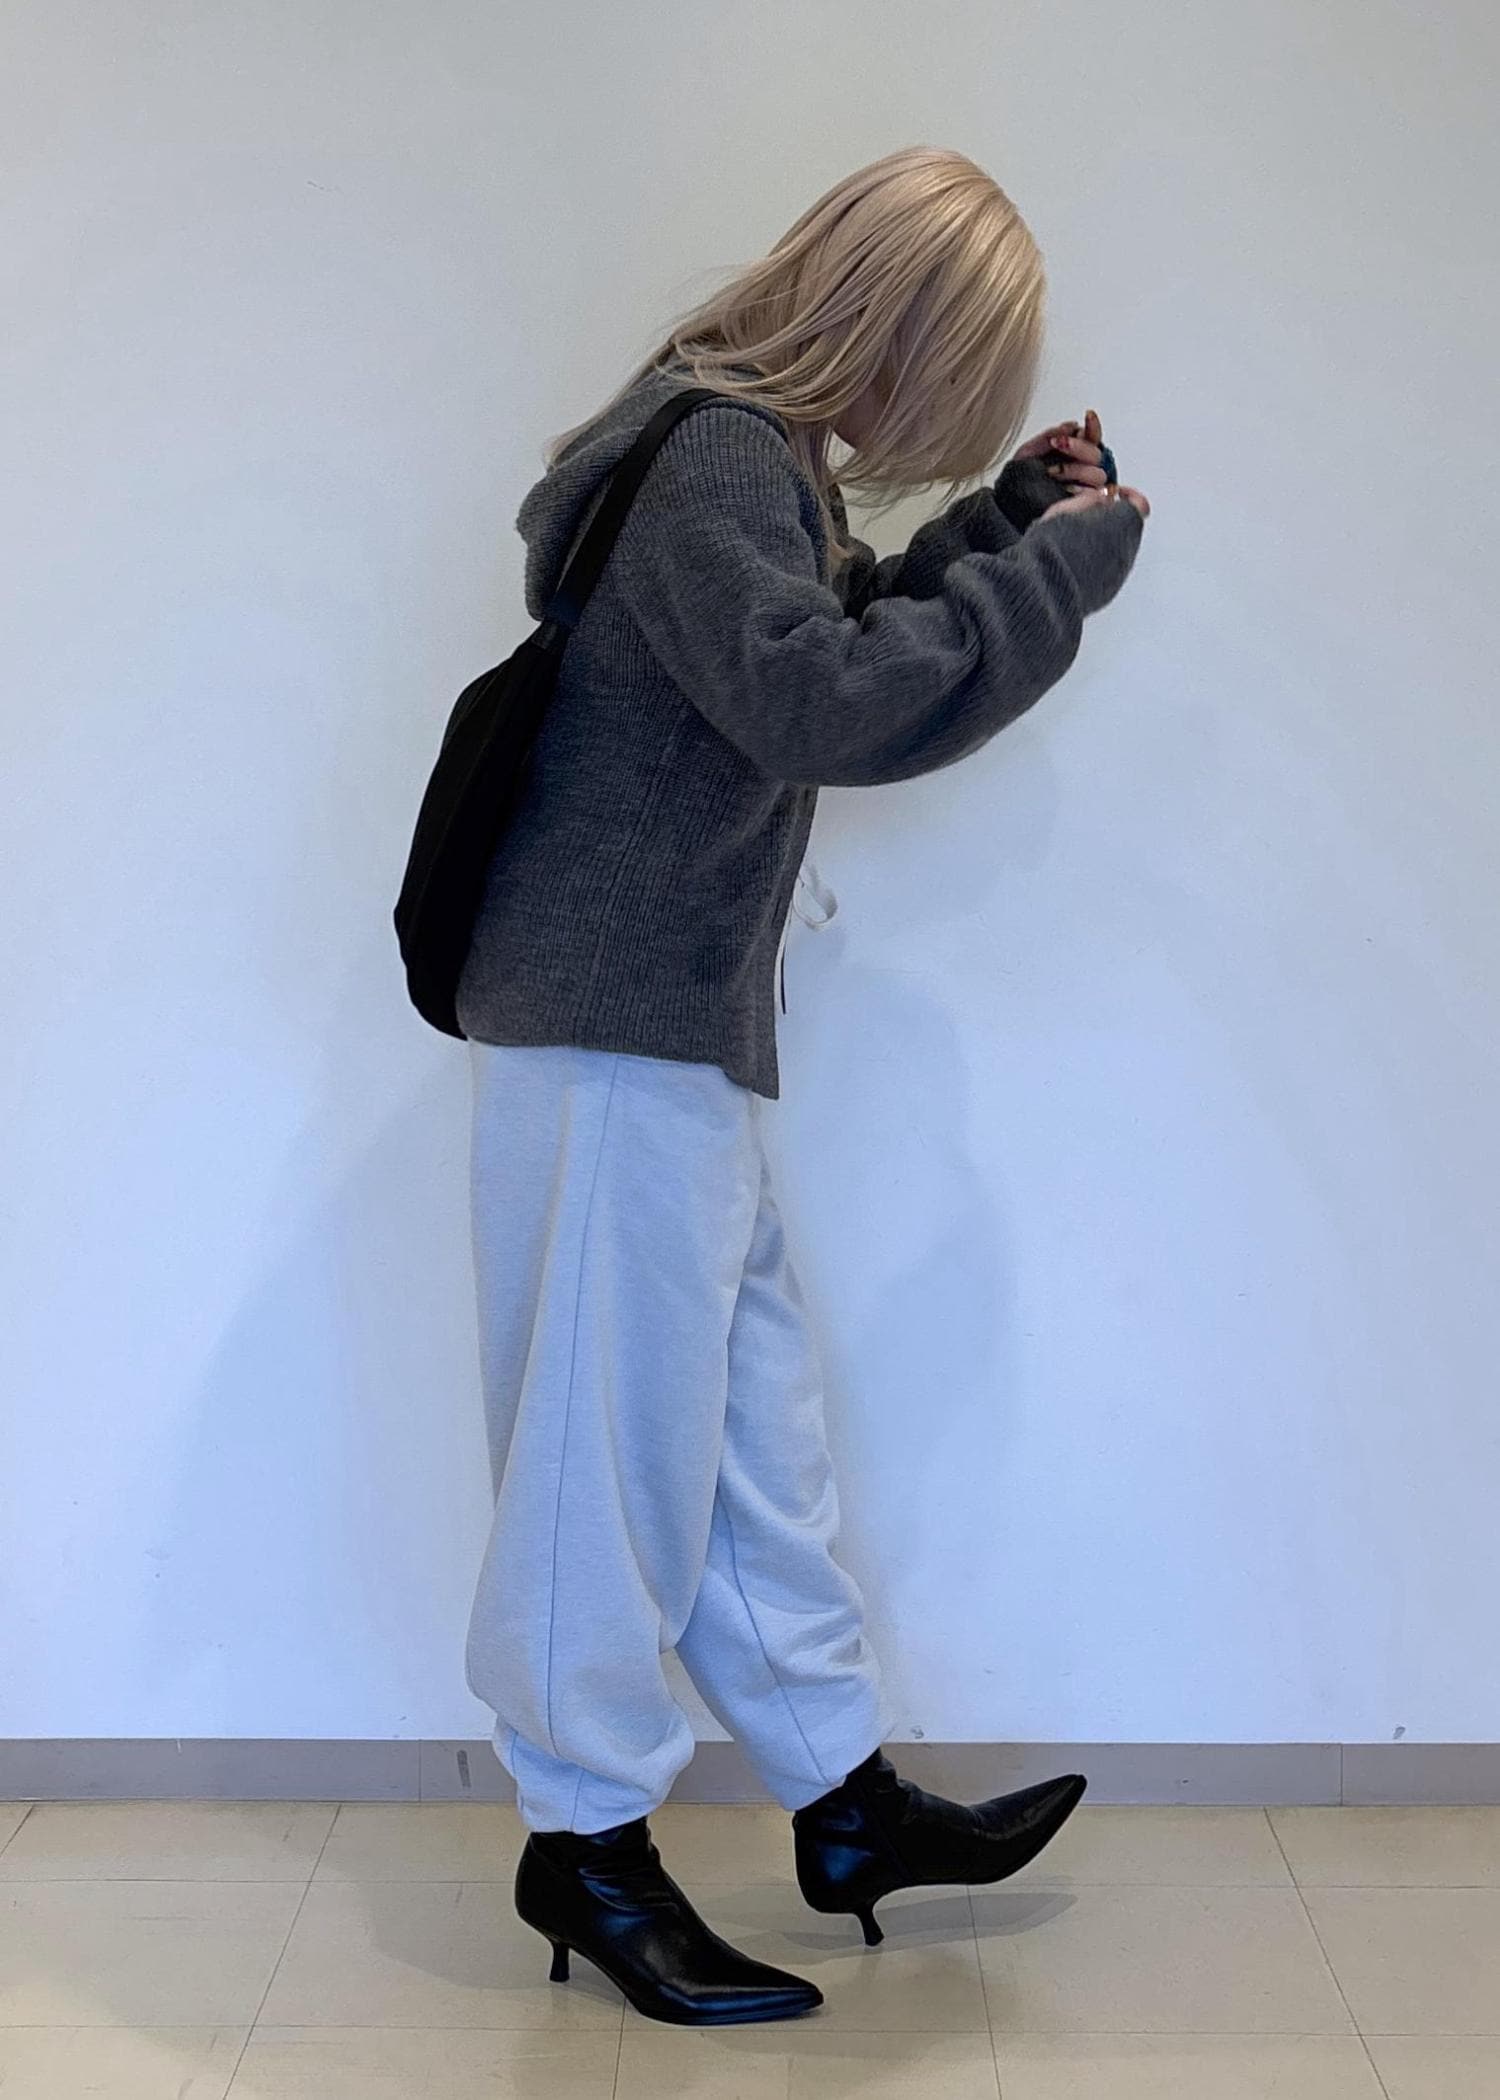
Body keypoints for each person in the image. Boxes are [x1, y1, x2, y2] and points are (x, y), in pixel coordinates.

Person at [453, 144, 1149, 2026]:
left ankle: (840, 1801)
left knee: (748, 1441)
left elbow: (818, 638)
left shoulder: (740, 455)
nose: (951, 418)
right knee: (603, 1469)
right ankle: (584, 1842)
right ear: (897, 325)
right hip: (614, 1032)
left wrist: (1000, 526)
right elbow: (824, 703)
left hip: (657, 1026)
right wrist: (1056, 586)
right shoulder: (715, 456)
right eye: (963, 383)